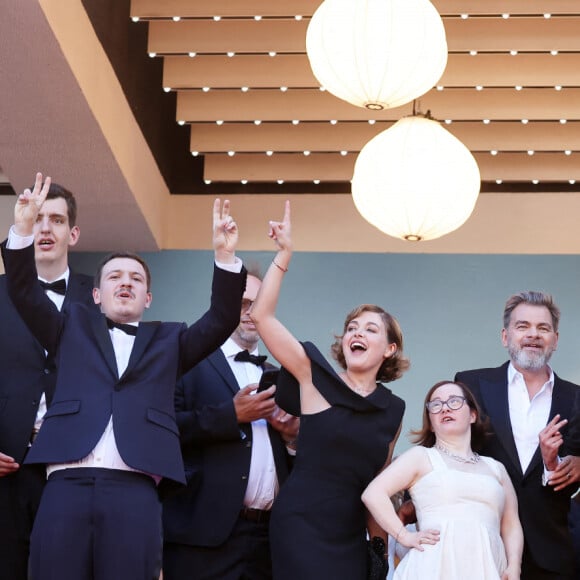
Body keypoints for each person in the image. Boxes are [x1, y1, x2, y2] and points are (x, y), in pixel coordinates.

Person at [1, 173, 247, 580]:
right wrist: (24, 228)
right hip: (65, 484)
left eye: (136, 279)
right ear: (95, 295)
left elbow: (223, 318)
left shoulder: (171, 342)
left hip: (135, 489)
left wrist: (224, 257)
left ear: (148, 298)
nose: (126, 283)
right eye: (115, 277)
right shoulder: (68, 327)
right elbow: (23, 290)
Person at [248, 201, 408, 580]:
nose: (357, 332)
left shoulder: (393, 409)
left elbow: (378, 485)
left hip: (350, 535)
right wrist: (283, 255)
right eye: (352, 327)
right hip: (299, 524)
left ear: (389, 349)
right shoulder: (312, 376)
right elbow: (262, 316)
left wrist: (378, 547)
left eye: (371, 329)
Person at [162, 273, 299, 580]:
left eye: (259, 304)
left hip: (267, 539)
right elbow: (163, 431)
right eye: (243, 304)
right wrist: (230, 415)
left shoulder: (280, 374)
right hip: (202, 537)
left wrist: (291, 439)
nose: (252, 312)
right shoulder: (187, 363)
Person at [0, 179, 96, 580]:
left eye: (56, 220)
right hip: (6, 468)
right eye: (37, 219)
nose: (45, 229)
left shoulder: (99, 297)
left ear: (72, 233)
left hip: (74, 467)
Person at [455, 291, 580, 579]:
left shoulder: (575, 398)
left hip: (552, 551)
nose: (533, 335)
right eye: (522, 326)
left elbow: (573, 476)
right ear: (505, 336)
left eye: (543, 328)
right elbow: (447, 447)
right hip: (481, 544)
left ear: (555, 340)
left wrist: (556, 465)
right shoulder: (471, 383)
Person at [362, 380, 523, 580]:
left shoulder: (495, 468)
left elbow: (511, 523)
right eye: (435, 405)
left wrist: (514, 565)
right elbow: (373, 494)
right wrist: (403, 536)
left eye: (454, 401)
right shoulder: (421, 457)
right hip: (433, 567)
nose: (445, 408)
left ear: (472, 415)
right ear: (430, 422)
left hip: (487, 566)